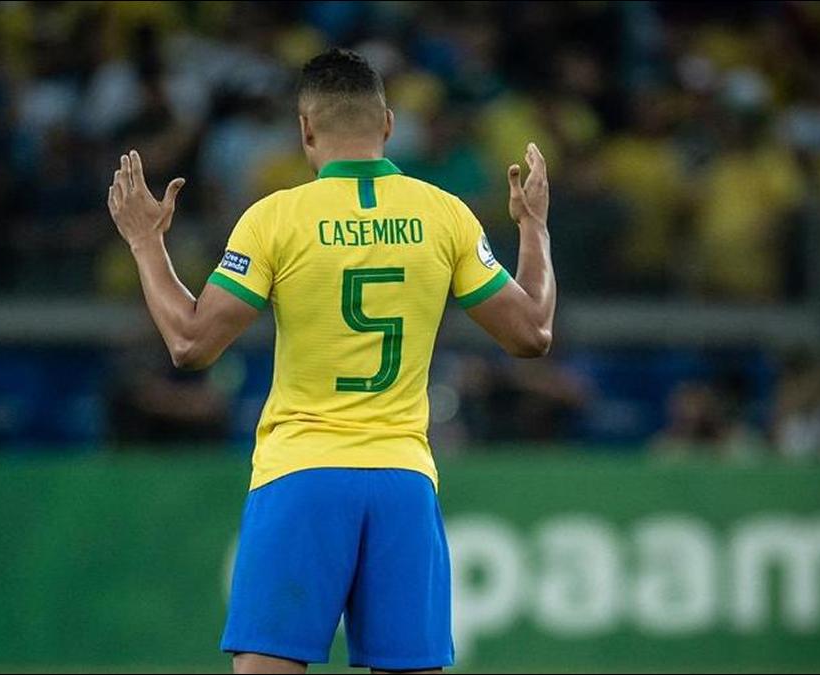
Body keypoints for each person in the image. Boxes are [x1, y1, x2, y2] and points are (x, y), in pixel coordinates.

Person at [105, 48, 556, 674]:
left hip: (303, 471)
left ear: (305, 129)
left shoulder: (275, 218)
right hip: (402, 478)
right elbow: (532, 332)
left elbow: (190, 342)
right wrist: (534, 227)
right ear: (389, 124)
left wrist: (145, 243)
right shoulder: (445, 215)